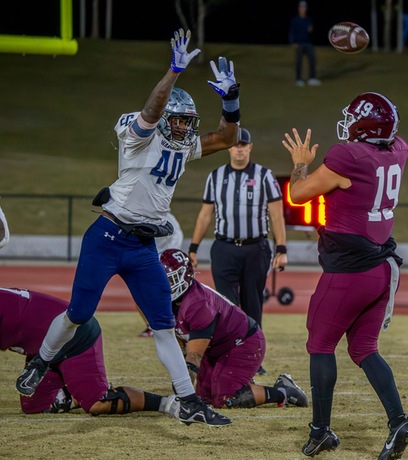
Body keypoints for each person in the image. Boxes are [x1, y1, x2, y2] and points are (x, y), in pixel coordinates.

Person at [15, 28, 241, 427]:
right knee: (78, 313)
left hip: (141, 247)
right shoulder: (138, 136)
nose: (186, 129)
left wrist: (231, 100)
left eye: (190, 122)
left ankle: (187, 401)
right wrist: (172, 72)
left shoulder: (180, 145)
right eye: (182, 121)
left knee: (163, 325)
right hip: (107, 236)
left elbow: (226, 137)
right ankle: (41, 363)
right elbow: (152, 111)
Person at [281, 92, 408, 459]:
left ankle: (320, 430)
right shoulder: (398, 149)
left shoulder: (348, 156)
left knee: (320, 345)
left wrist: (300, 163)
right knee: (363, 349)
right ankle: (399, 421)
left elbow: (297, 194)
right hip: (382, 268)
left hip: (351, 270)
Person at [188, 127, 287, 376]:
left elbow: (277, 215)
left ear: (250, 148)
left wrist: (281, 248)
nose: (239, 149)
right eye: (236, 145)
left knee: (253, 304)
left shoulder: (265, 176)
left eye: (244, 145)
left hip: (256, 247)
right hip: (224, 247)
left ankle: (253, 356)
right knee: (226, 305)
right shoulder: (216, 176)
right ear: (229, 147)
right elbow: (205, 215)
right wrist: (193, 247)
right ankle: (229, 354)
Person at [159, 249, 308, 411]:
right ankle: (243, 383)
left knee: (225, 399)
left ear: (185, 276)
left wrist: (184, 395)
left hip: (243, 343)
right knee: (205, 397)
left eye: (171, 280)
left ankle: (283, 391)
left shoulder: (197, 303)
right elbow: (179, 342)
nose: (165, 285)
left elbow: (194, 357)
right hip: (217, 347)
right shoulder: (171, 302)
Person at [1, 287, 178, 418]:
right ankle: (74, 394)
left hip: (75, 335)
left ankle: (166, 404)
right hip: (43, 346)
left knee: (97, 403)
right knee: (34, 406)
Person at [138, 211, 185, 337]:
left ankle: (173, 323)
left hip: (163, 261)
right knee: (139, 292)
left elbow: (177, 236)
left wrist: (167, 256)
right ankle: (150, 325)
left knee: (169, 292)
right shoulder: (137, 216)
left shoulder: (167, 218)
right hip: (147, 259)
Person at [289, 1, 321, 87]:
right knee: (299, 62)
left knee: (312, 60)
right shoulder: (295, 19)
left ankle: (312, 78)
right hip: (299, 44)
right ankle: (298, 79)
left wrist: (311, 29)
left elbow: (310, 30)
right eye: (302, 7)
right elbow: (292, 31)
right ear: (299, 9)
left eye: (305, 7)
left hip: (308, 43)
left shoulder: (308, 19)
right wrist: (293, 42)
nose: (303, 9)